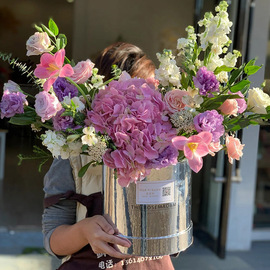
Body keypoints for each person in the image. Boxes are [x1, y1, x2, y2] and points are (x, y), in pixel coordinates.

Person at [42, 42, 175, 270]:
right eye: (136, 99)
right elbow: (52, 240)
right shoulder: (73, 154)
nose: (148, 108)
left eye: (153, 96)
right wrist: (84, 230)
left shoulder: (165, 153)